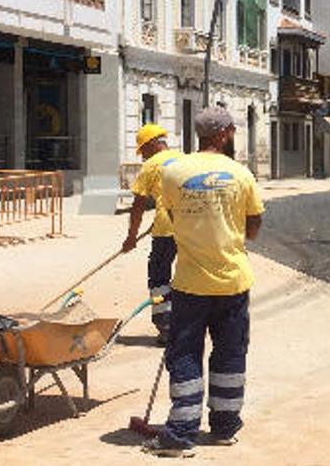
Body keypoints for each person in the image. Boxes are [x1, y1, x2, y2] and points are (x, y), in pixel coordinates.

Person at [142, 106, 265, 458]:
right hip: (233, 282)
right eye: (233, 131)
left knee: (184, 355)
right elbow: (253, 229)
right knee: (230, 353)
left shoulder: (174, 172)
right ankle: (225, 428)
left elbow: (171, 217)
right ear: (224, 133)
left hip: (190, 283)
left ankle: (181, 433)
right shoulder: (241, 174)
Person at [122, 123, 183, 345]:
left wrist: (131, 237)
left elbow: (137, 206)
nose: (142, 156)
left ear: (152, 144)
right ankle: (189, 325)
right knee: (188, 276)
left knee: (159, 277)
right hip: (192, 227)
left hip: (166, 230)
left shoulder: (150, 166)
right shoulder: (184, 159)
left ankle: (166, 326)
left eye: (143, 150)